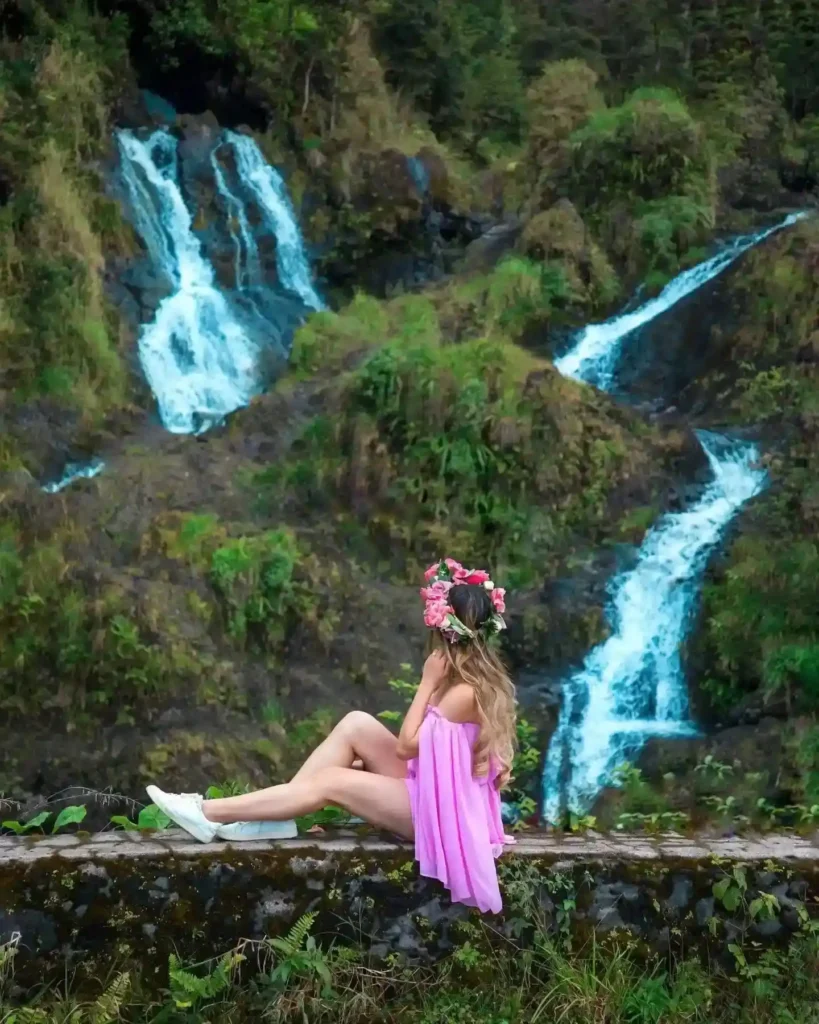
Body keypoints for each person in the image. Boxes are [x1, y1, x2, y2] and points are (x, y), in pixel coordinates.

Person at [147, 558, 517, 912]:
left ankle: (208, 813)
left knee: (331, 781)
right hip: (435, 790)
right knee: (357, 723)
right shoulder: (464, 679)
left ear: (446, 632)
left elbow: (407, 746)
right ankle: (275, 816)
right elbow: (439, 754)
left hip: (439, 816)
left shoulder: (461, 692)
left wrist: (426, 683)